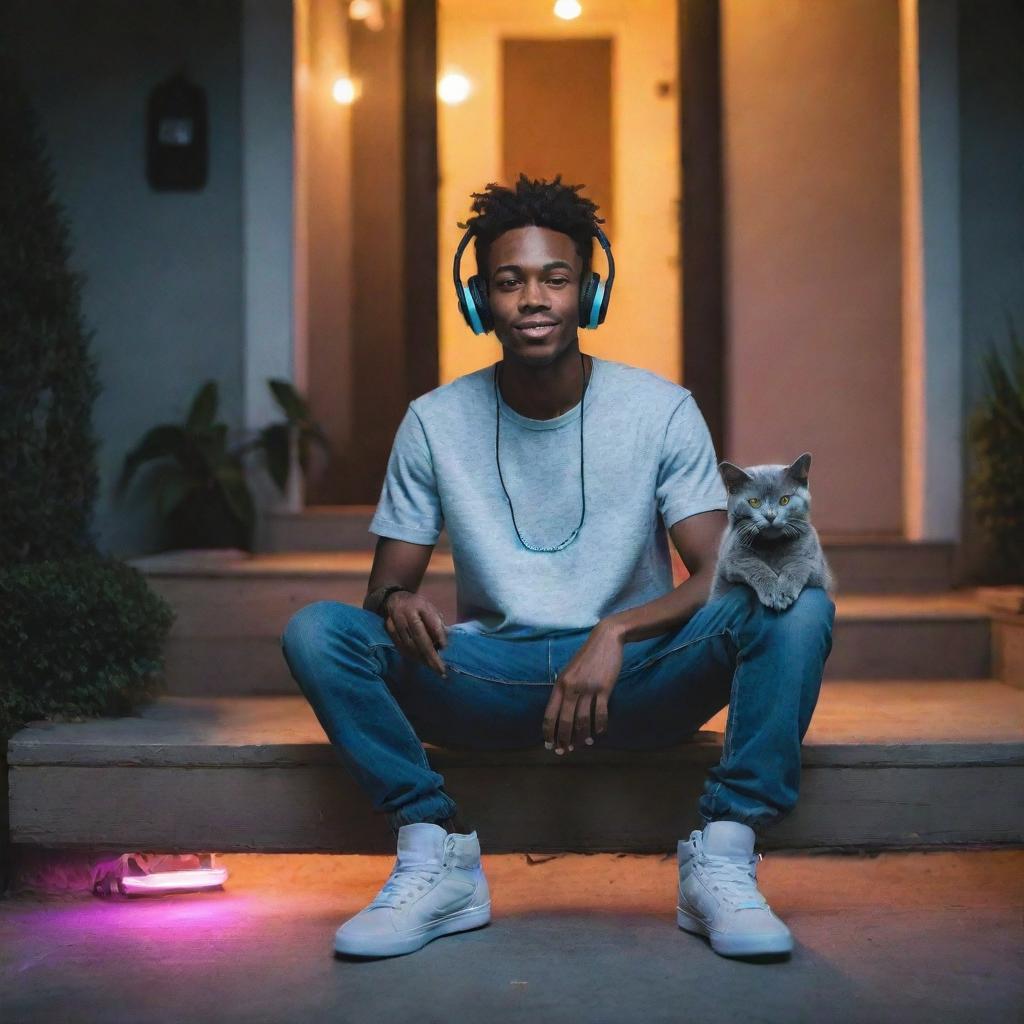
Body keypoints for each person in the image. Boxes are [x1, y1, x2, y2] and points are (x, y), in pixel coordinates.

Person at [280, 173, 835, 961]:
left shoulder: (659, 409)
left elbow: (722, 571)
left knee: (795, 601)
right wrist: (396, 601)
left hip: (637, 680)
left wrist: (616, 630)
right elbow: (385, 584)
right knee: (318, 632)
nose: (533, 298)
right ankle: (435, 852)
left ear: (588, 293)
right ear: (480, 301)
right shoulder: (433, 423)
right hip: (489, 679)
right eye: (509, 282)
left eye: (555, 278)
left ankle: (724, 854)